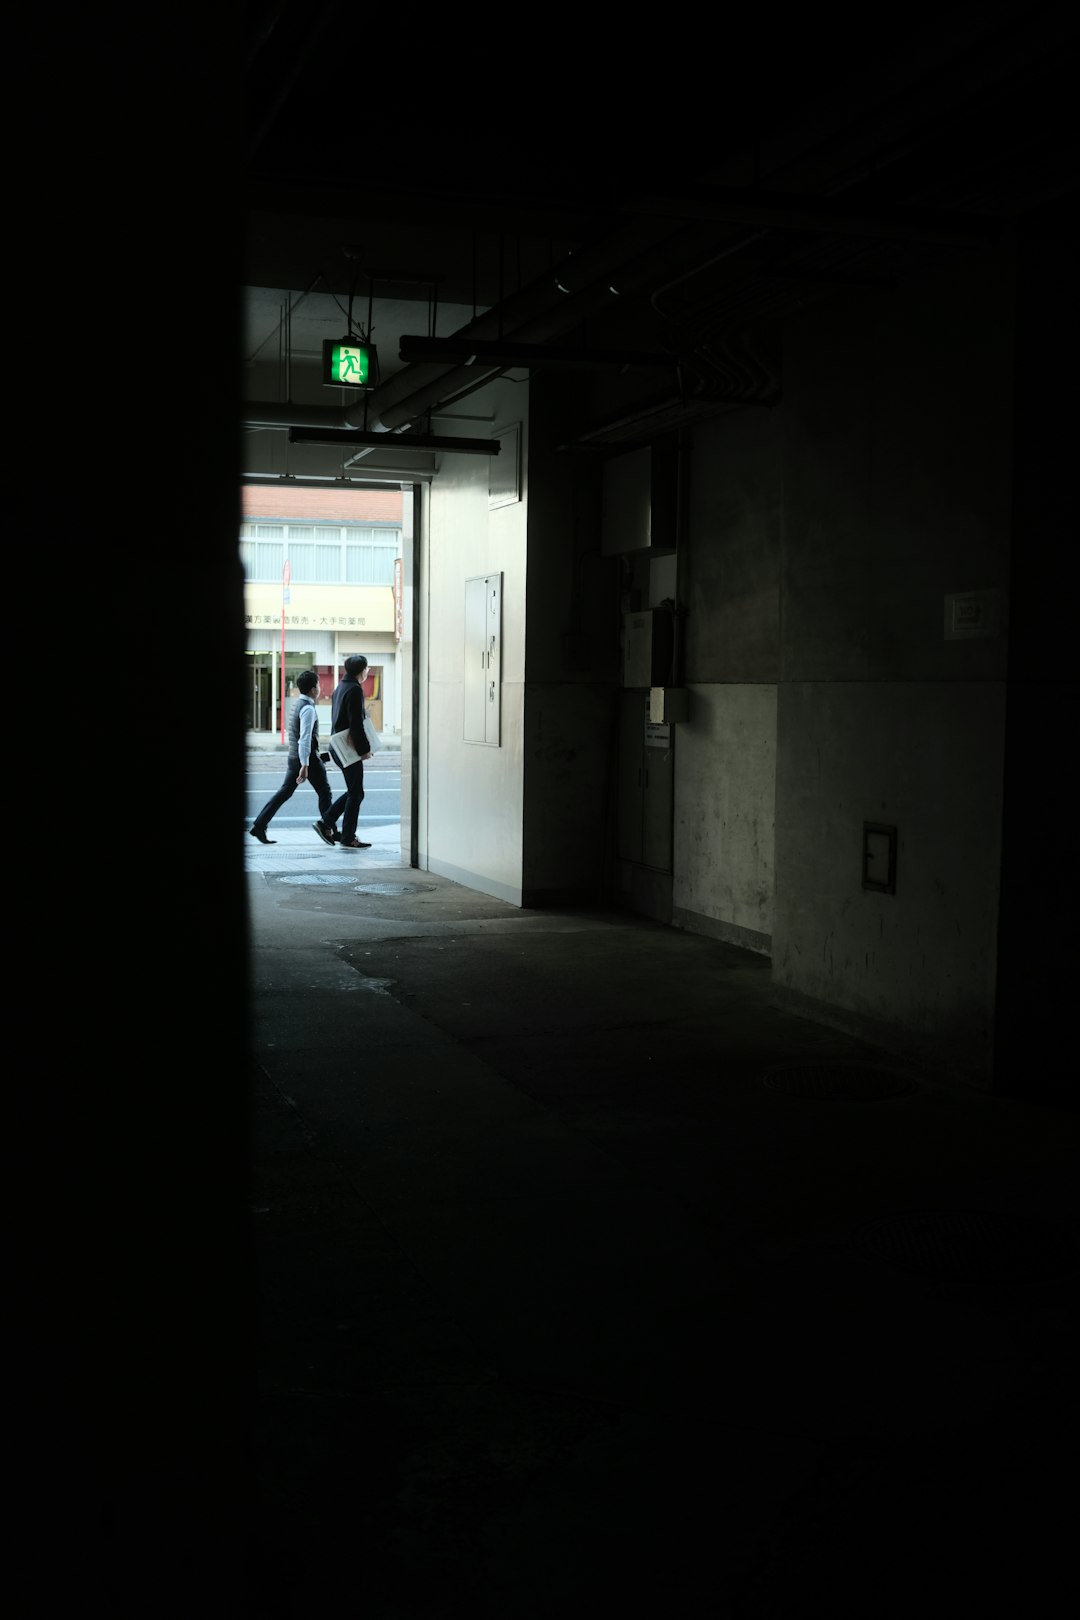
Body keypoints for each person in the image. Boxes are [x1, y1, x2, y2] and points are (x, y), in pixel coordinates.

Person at [248, 670, 337, 845]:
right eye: (318, 685)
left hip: (294, 757)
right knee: (324, 793)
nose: (319, 688)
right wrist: (305, 765)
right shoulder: (308, 709)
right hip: (307, 758)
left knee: (284, 793)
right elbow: (304, 738)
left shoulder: (298, 704)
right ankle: (329, 829)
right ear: (313, 689)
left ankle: (259, 826)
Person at [317, 653, 373, 850]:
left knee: (354, 792)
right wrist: (364, 750)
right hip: (347, 748)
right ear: (361, 670)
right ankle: (342, 833)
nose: (368, 671)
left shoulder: (340, 687)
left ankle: (331, 825)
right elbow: (355, 724)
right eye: (367, 668)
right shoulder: (354, 690)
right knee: (356, 793)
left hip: (337, 746)